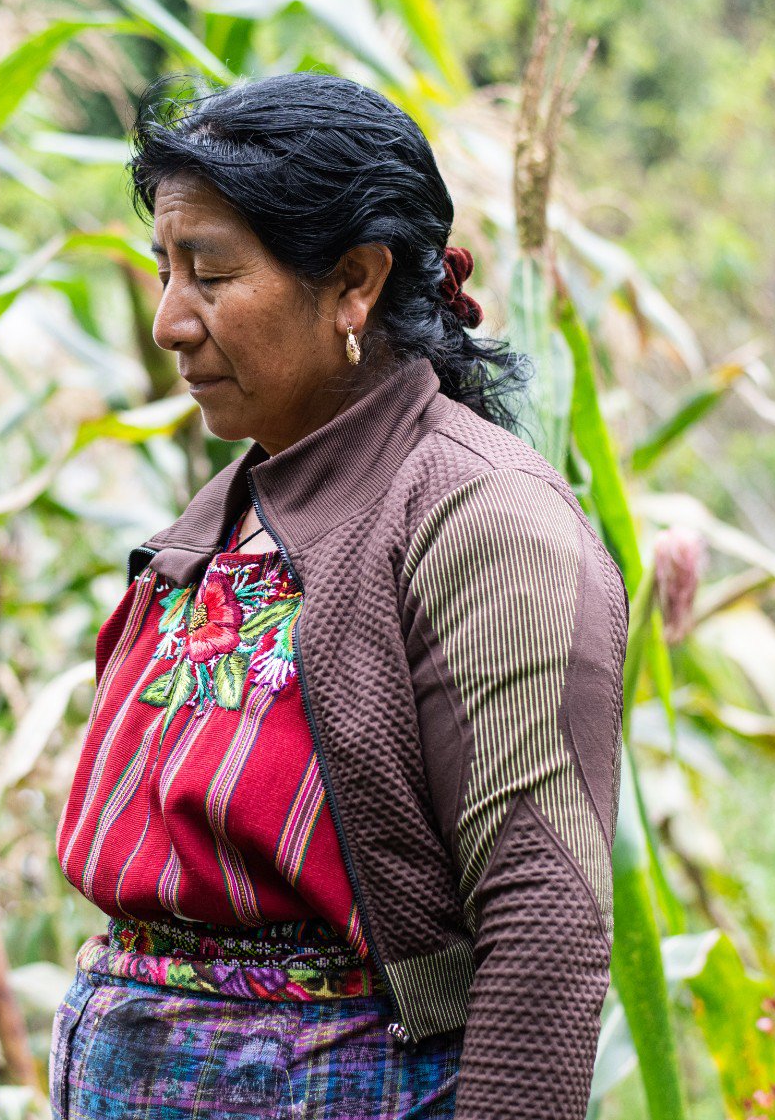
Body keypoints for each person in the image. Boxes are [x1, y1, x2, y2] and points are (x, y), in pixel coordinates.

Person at [50, 72, 628, 1119]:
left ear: (356, 282)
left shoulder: (481, 518)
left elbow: (543, 914)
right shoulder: (239, 505)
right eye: (164, 270)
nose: (169, 324)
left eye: (212, 274)